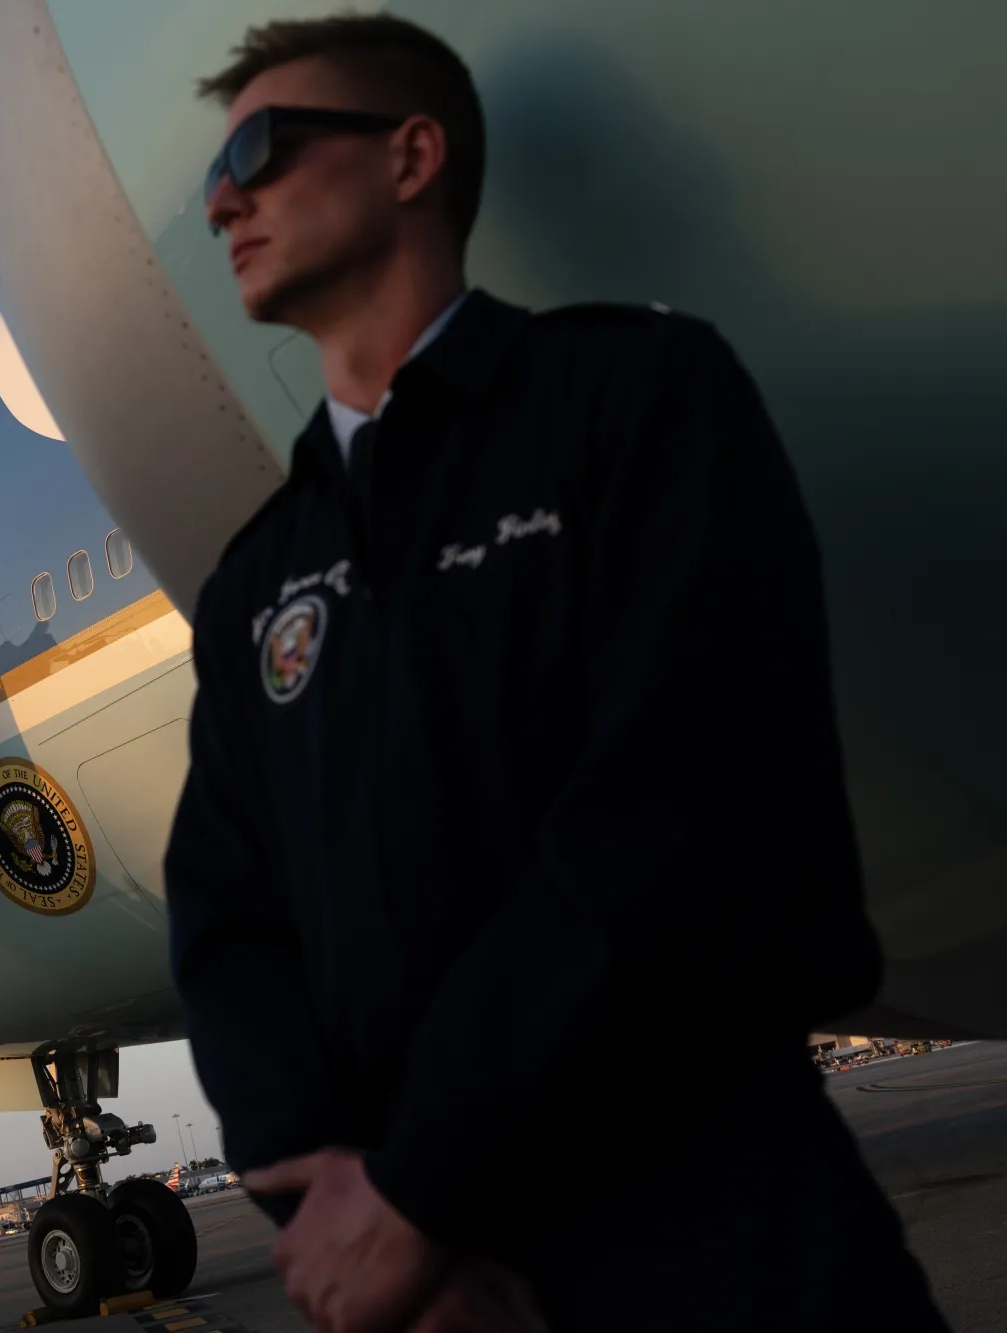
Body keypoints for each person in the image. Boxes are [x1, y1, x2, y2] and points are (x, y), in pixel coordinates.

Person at [164, 14, 946, 1333]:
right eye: (214, 177)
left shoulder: (636, 401)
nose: (224, 198)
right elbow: (227, 927)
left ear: (413, 157)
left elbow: (688, 819)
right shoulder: (258, 578)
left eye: (261, 147)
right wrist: (353, 1233)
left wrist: (417, 1196)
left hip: (725, 1243)